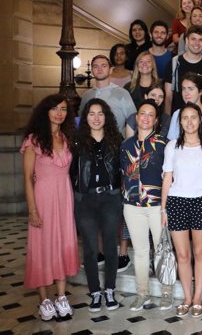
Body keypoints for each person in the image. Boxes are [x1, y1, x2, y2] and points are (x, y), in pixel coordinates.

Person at [22, 94, 79, 321]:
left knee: (63, 243)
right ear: (45, 111)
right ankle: (44, 299)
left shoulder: (67, 137)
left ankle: (61, 296)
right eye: (54, 108)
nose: (59, 113)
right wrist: (32, 209)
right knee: (43, 245)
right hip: (43, 198)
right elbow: (27, 178)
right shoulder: (33, 140)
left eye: (63, 109)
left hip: (65, 197)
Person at [72, 99, 124, 313]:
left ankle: (109, 290)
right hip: (85, 200)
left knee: (111, 246)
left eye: (100, 113)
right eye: (91, 113)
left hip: (111, 198)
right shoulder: (76, 141)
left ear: (106, 116)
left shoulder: (116, 140)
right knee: (91, 249)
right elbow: (69, 171)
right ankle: (95, 292)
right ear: (86, 118)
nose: (96, 118)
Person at [120, 99, 173, 311]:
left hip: (157, 205)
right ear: (136, 117)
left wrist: (166, 207)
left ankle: (166, 293)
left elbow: (170, 176)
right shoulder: (125, 145)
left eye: (151, 114)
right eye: (143, 113)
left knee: (163, 249)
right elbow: (122, 175)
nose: (146, 117)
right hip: (132, 205)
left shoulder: (164, 143)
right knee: (141, 251)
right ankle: (143, 293)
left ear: (156, 120)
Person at [161, 103, 202, 318]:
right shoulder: (172, 146)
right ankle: (187, 297)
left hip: (201, 201)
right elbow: (167, 178)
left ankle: (198, 298)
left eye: (193, 117)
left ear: (200, 120)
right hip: (177, 201)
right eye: (185, 118)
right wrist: (163, 209)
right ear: (179, 122)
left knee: (200, 253)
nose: (189, 122)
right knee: (182, 254)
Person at [164, 25, 202, 116]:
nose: (197, 43)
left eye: (200, 40)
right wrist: (167, 121)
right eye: (193, 39)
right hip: (180, 119)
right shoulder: (174, 63)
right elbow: (168, 97)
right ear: (187, 41)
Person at [80, 55, 137, 136]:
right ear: (92, 71)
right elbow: (81, 120)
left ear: (110, 70)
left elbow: (133, 120)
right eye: (96, 66)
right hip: (91, 143)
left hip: (117, 143)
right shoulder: (86, 95)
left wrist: (129, 141)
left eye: (103, 66)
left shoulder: (122, 93)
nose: (99, 69)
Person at [167, 72, 202, 141]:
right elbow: (171, 142)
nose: (186, 93)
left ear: (200, 92)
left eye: (191, 89)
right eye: (183, 89)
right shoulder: (177, 113)